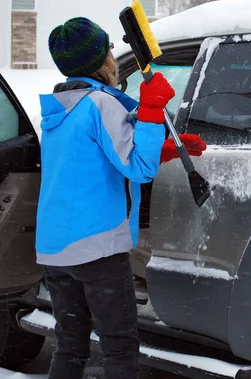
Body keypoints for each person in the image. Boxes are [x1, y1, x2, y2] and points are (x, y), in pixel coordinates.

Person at [35, 17, 175, 379]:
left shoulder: (60, 109)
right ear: (102, 60)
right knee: (120, 348)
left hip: (55, 250)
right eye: (110, 47)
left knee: (71, 347)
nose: (115, 52)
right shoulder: (100, 104)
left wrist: (162, 148)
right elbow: (139, 168)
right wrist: (151, 111)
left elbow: (99, 159)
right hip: (96, 249)